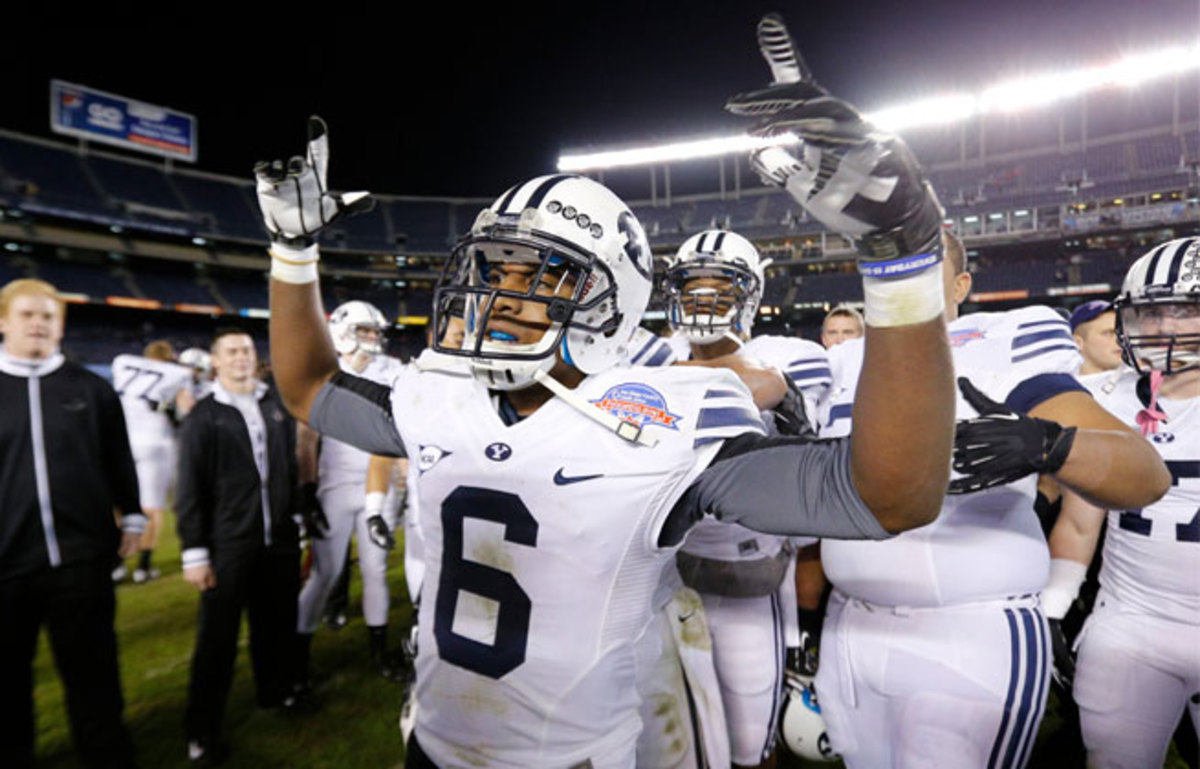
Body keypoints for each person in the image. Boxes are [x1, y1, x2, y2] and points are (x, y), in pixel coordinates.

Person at [259, 75, 955, 767]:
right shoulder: (438, 393)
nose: (502, 296)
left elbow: (889, 495)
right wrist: (292, 254)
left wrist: (901, 260)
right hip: (434, 744)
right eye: (493, 271)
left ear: (608, 302)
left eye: (540, 277)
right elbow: (309, 386)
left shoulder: (664, 419)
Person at [800, 228, 1171, 768]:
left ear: (961, 285)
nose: (900, 280)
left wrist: (1047, 444)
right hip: (850, 627)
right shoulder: (842, 360)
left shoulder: (1001, 342)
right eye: (886, 268)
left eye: (920, 267)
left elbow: (1145, 473)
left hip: (967, 634)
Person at [661, 227, 830, 768]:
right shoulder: (654, 356)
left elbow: (778, 407)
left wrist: (657, 380)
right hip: (664, 578)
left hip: (746, 577)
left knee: (749, 743)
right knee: (675, 741)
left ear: (750, 294)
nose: (703, 298)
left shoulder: (786, 357)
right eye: (692, 286)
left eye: (720, 286)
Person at [1045, 236, 1200, 769]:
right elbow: (1082, 519)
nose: (1164, 327)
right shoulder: (1104, 396)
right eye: (1151, 312)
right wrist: (1054, 605)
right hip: (1131, 620)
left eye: (1184, 310)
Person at [0, 278, 143, 769]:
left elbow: (118, 457)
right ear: (3, 321)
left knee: (94, 673)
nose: (38, 324)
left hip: (83, 558)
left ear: (61, 326)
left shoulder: (91, 388)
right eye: (27, 315)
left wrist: (133, 512)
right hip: (6, 563)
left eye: (48, 316)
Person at [176, 328, 305, 765]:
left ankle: (276, 692)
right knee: (218, 640)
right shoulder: (203, 415)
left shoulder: (275, 404)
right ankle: (202, 730)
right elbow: (189, 487)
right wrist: (195, 552)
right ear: (215, 360)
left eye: (246, 350)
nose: (240, 357)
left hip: (278, 540)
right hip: (228, 543)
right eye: (231, 351)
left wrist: (297, 519)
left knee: (276, 625)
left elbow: (289, 469)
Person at [295, 300, 405, 683]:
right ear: (342, 332)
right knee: (323, 573)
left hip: (380, 485)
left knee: (375, 571)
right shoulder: (322, 372)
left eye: (375, 331)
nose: (373, 337)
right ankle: (298, 657)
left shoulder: (392, 371)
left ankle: (379, 652)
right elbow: (306, 439)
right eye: (364, 330)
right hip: (335, 486)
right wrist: (307, 489)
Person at [111, 339, 195, 584]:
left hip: (122, 441)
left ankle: (116, 565)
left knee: (119, 505)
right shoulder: (179, 373)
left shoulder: (122, 362)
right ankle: (143, 568)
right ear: (169, 357)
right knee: (151, 508)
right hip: (155, 443)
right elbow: (186, 410)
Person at [1069, 300, 1122, 376]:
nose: (1120, 340)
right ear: (1078, 342)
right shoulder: (1061, 382)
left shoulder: (1135, 379)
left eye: (1121, 333)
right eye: (1108, 333)